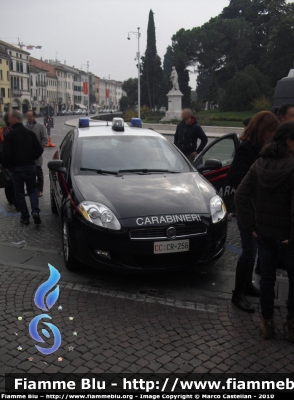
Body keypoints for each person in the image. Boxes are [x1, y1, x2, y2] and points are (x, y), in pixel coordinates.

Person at [235, 121, 294, 341]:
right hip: (287, 236)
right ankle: (291, 325)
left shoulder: (259, 163)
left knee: (267, 279)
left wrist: (251, 226)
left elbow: (240, 195)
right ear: (288, 141)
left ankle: (267, 322)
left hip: (264, 233)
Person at [227, 111, 280, 313]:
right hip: (247, 207)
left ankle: (247, 285)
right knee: (248, 252)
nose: (272, 135)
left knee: (253, 250)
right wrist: (254, 187)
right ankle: (237, 293)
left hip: (256, 206)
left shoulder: (259, 147)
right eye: (270, 131)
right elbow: (234, 177)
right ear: (261, 130)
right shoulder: (246, 149)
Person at [2, 110, 44, 225]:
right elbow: (39, 149)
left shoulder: (10, 135)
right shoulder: (30, 133)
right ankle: (35, 211)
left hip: (16, 168)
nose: (9, 121)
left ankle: (25, 217)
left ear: (15, 119)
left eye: (10, 118)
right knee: (32, 190)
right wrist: (31, 158)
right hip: (30, 166)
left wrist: (7, 165)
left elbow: (5, 154)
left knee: (19, 193)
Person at [26, 110, 48, 197]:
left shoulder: (40, 127)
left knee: (38, 172)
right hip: (27, 155)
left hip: (37, 154)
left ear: (34, 116)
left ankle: (39, 190)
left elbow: (45, 139)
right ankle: (30, 189)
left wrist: (40, 149)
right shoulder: (25, 127)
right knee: (28, 174)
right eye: (27, 116)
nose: (28, 118)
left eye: (30, 116)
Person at [0, 113, 17, 207]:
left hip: (3, 158)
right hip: (13, 158)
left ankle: (9, 199)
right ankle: (15, 200)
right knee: (14, 179)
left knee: (7, 177)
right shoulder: (12, 130)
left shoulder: (1, 130)